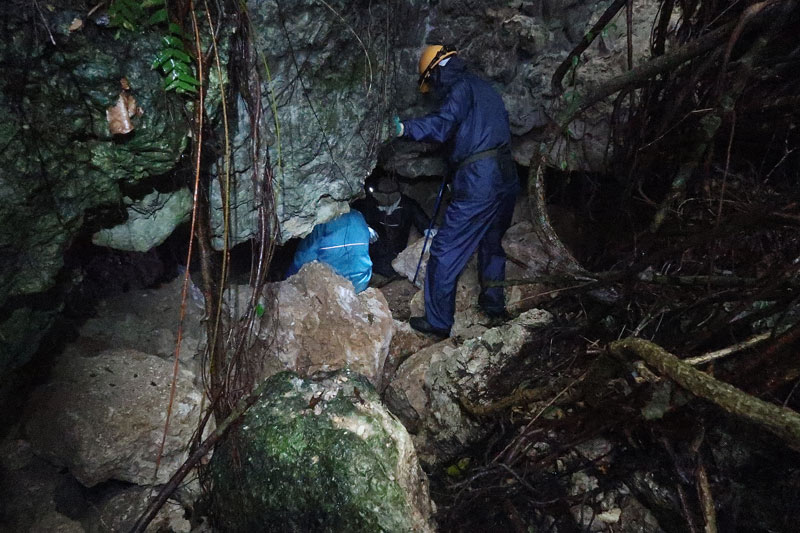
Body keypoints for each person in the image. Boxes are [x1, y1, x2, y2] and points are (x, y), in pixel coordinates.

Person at [393, 45, 519, 337]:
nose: (432, 91)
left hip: (480, 180)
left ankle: (437, 322)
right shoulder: (484, 89)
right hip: (506, 174)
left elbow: (441, 126)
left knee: (445, 249)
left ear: (436, 72)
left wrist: (402, 128)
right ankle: (493, 305)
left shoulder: (460, 89)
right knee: (491, 242)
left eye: (430, 81)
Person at [353, 175, 432, 279]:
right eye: (383, 196)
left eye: (391, 196)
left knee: (394, 268)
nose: (387, 200)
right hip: (375, 251)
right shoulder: (368, 204)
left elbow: (421, 219)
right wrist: (364, 227)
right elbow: (354, 217)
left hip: (397, 251)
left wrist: (428, 229)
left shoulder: (407, 205)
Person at [286, 209, 372, 293]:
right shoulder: (359, 216)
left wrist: (287, 280)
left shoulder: (322, 222)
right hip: (361, 283)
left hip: (333, 288)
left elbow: (303, 260)